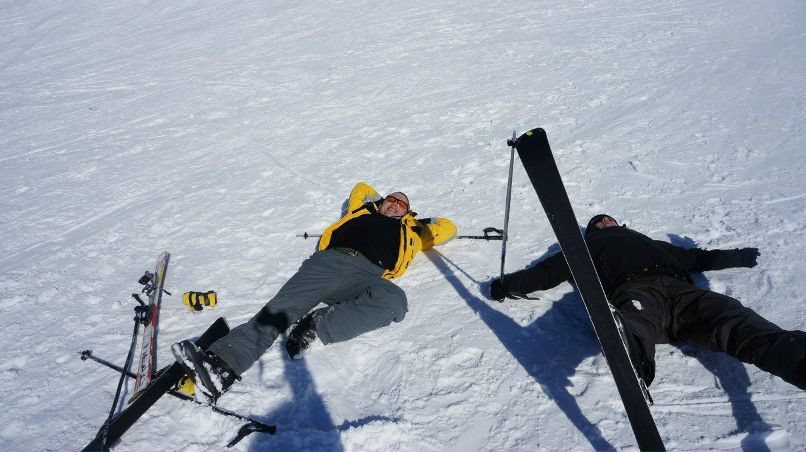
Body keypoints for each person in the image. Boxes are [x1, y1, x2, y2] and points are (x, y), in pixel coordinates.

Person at [174, 182, 456, 402]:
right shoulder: (361, 210)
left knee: (395, 301)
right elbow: (361, 188)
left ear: (408, 211)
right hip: (329, 263)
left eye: (401, 204)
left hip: (369, 276)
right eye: (391, 200)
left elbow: (448, 228)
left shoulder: (412, 233)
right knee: (280, 310)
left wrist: (416, 221)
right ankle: (221, 367)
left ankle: (314, 325)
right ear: (382, 202)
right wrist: (380, 201)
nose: (394, 205)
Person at [488, 214, 806, 390]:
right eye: (598, 223)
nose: (604, 223)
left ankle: (794, 356)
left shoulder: (652, 244)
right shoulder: (584, 246)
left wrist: (738, 257)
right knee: (636, 318)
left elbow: (697, 258)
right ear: (591, 230)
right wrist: (508, 285)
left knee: (730, 316)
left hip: (683, 295)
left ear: (620, 224)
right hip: (636, 291)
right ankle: (633, 354)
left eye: (608, 220)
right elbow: (547, 272)